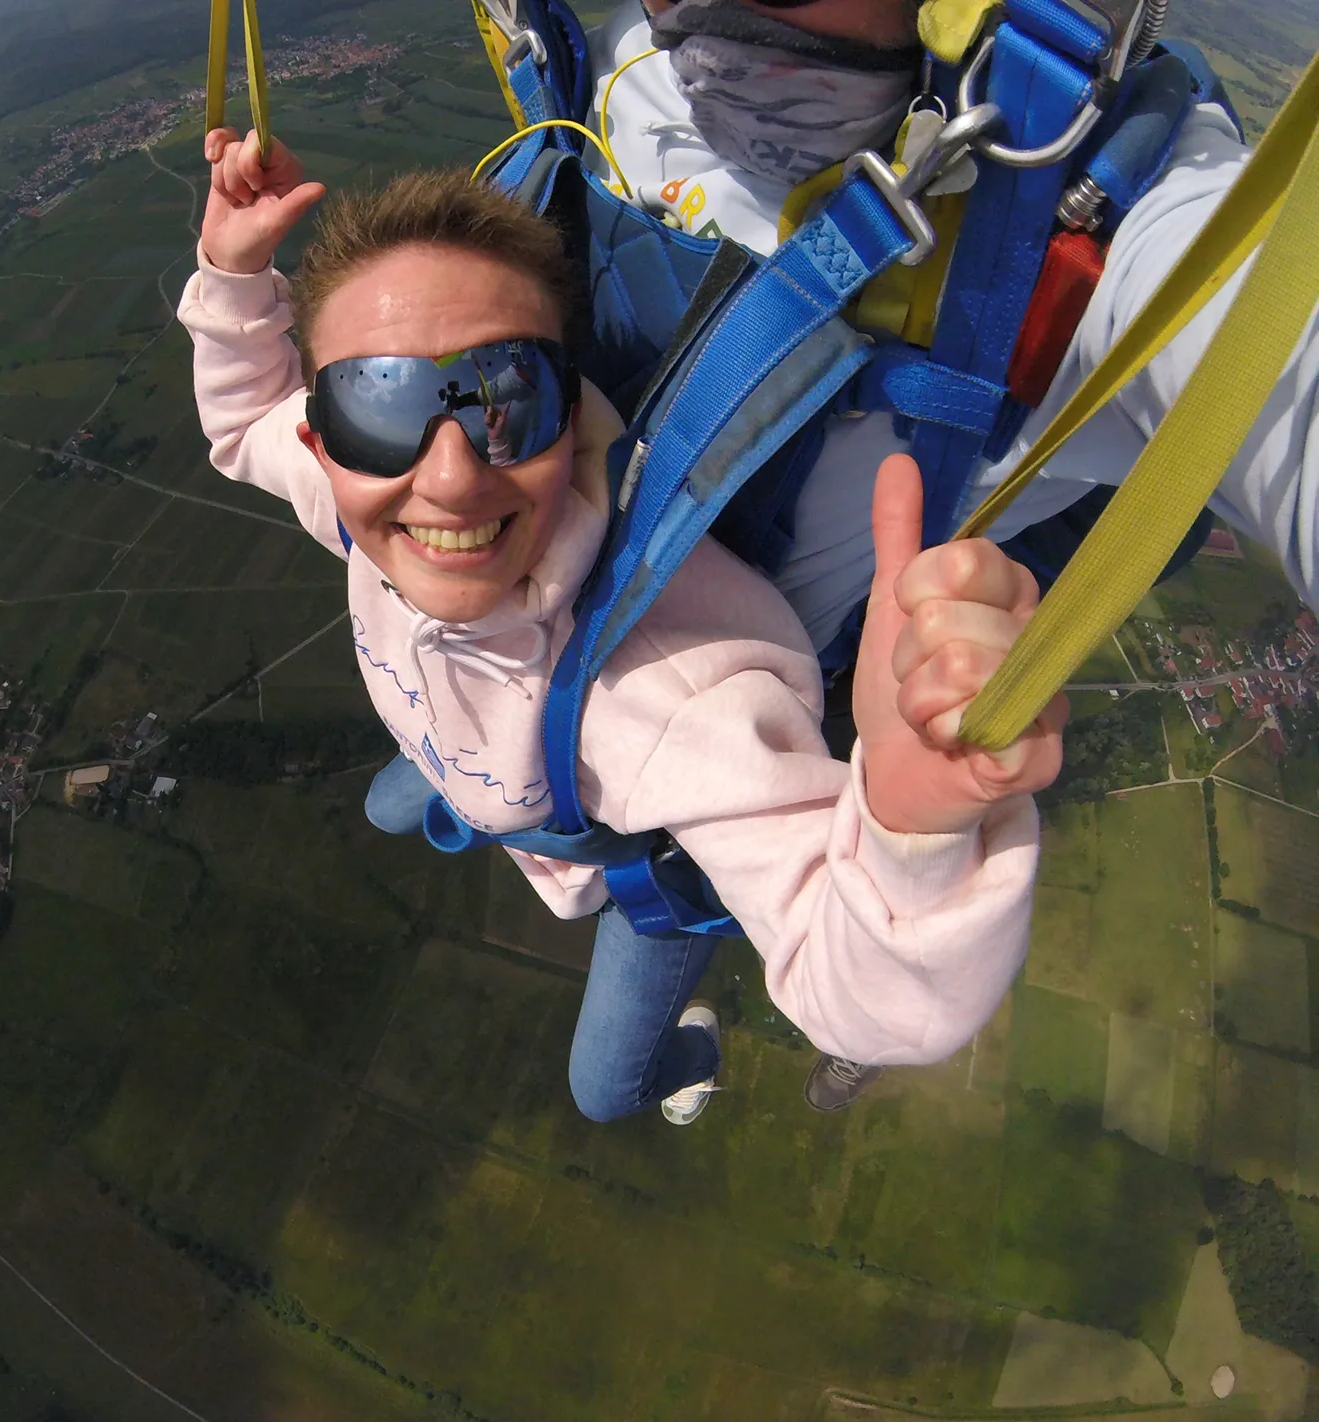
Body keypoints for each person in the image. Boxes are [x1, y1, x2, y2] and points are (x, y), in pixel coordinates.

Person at [179, 127, 1065, 1130]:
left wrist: (911, 833)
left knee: (600, 1091)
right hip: (481, 751)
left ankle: (685, 1050)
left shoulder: (665, 697)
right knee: (395, 806)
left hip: (629, 838)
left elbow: (872, 1000)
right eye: (380, 408)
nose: (452, 476)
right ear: (322, 439)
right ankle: (480, 790)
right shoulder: (344, 494)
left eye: (505, 400)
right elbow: (244, 422)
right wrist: (234, 273)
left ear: (571, 417)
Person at [585, 0, 1319, 1109]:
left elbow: (1265, 340)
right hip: (562, 644)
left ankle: (842, 976)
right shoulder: (626, 68)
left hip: (773, 712)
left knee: (616, 1067)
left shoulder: (1102, 215)